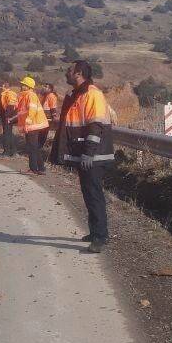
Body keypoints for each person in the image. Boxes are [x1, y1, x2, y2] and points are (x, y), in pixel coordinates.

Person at [49, 60, 115, 253]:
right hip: (85, 154)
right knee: (88, 193)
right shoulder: (76, 94)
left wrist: (88, 152)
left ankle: (101, 236)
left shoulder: (92, 94)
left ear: (78, 74)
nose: (66, 74)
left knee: (94, 195)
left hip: (94, 155)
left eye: (69, 71)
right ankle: (95, 232)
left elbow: (96, 125)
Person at [16, 76, 49, 174]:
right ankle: (41, 168)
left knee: (32, 147)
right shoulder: (25, 95)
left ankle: (33, 169)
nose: (21, 86)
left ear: (29, 86)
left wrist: (27, 123)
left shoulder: (30, 95)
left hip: (32, 125)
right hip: (32, 125)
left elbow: (32, 110)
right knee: (34, 147)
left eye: (24, 85)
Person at [0, 83, 19, 156]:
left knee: (7, 133)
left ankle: (7, 152)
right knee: (8, 133)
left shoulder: (9, 94)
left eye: (2, 86)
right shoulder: (5, 94)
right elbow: (4, 105)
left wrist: (7, 116)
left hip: (9, 116)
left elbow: (11, 106)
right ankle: (13, 151)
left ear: (5, 87)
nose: (1, 88)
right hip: (8, 115)